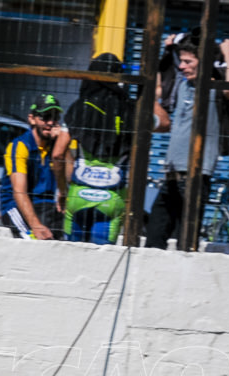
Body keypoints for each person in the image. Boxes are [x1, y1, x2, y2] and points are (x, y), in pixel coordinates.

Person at [145, 33, 229, 249]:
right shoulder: (182, 86)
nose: (182, 66)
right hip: (171, 175)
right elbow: (156, 90)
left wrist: (228, 53)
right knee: (154, 236)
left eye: (188, 61)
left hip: (195, 176)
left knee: (186, 241)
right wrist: (167, 53)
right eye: (182, 61)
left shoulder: (214, 89)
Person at [60, 54, 135, 244]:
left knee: (71, 256)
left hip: (78, 194)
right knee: (103, 263)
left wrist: (63, 189)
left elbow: (57, 153)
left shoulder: (79, 107)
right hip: (113, 198)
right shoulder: (130, 110)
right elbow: (163, 122)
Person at [0, 94, 68, 240]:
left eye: (55, 117)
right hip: (16, 206)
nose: (50, 122)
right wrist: (36, 226)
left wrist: (62, 146)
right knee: (32, 240)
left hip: (46, 207)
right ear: (32, 119)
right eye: (45, 116)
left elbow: (69, 177)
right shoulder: (20, 146)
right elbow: (19, 192)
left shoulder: (57, 149)